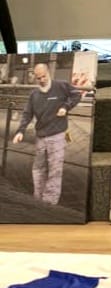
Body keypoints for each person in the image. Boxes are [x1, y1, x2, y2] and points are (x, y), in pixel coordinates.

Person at [11, 63, 82, 205]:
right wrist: (20, 131)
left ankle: (49, 202)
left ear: (48, 73)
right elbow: (27, 114)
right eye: (39, 78)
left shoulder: (61, 86)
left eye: (44, 76)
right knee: (38, 168)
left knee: (55, 169)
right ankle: (38, 198)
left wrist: (66, 107)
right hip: (41, 136)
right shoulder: (34, 94)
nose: (42, 80)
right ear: (35, 78)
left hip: (57, 135)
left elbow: (77, 94)